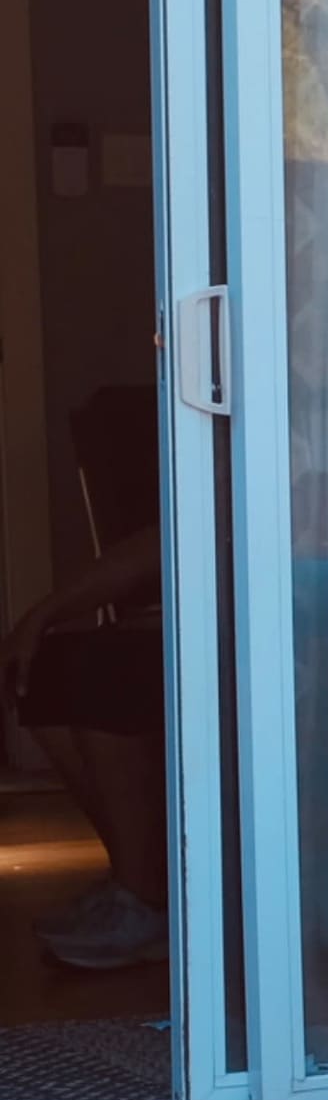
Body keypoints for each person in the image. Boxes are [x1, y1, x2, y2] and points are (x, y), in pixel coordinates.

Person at [7, 390, 169, 971]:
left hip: (284, 633)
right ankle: (138, 880)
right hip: (204, 619)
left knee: (105, 679)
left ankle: (149, 898)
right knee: (42, 671)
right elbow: (164, 541)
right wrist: (41, 616)